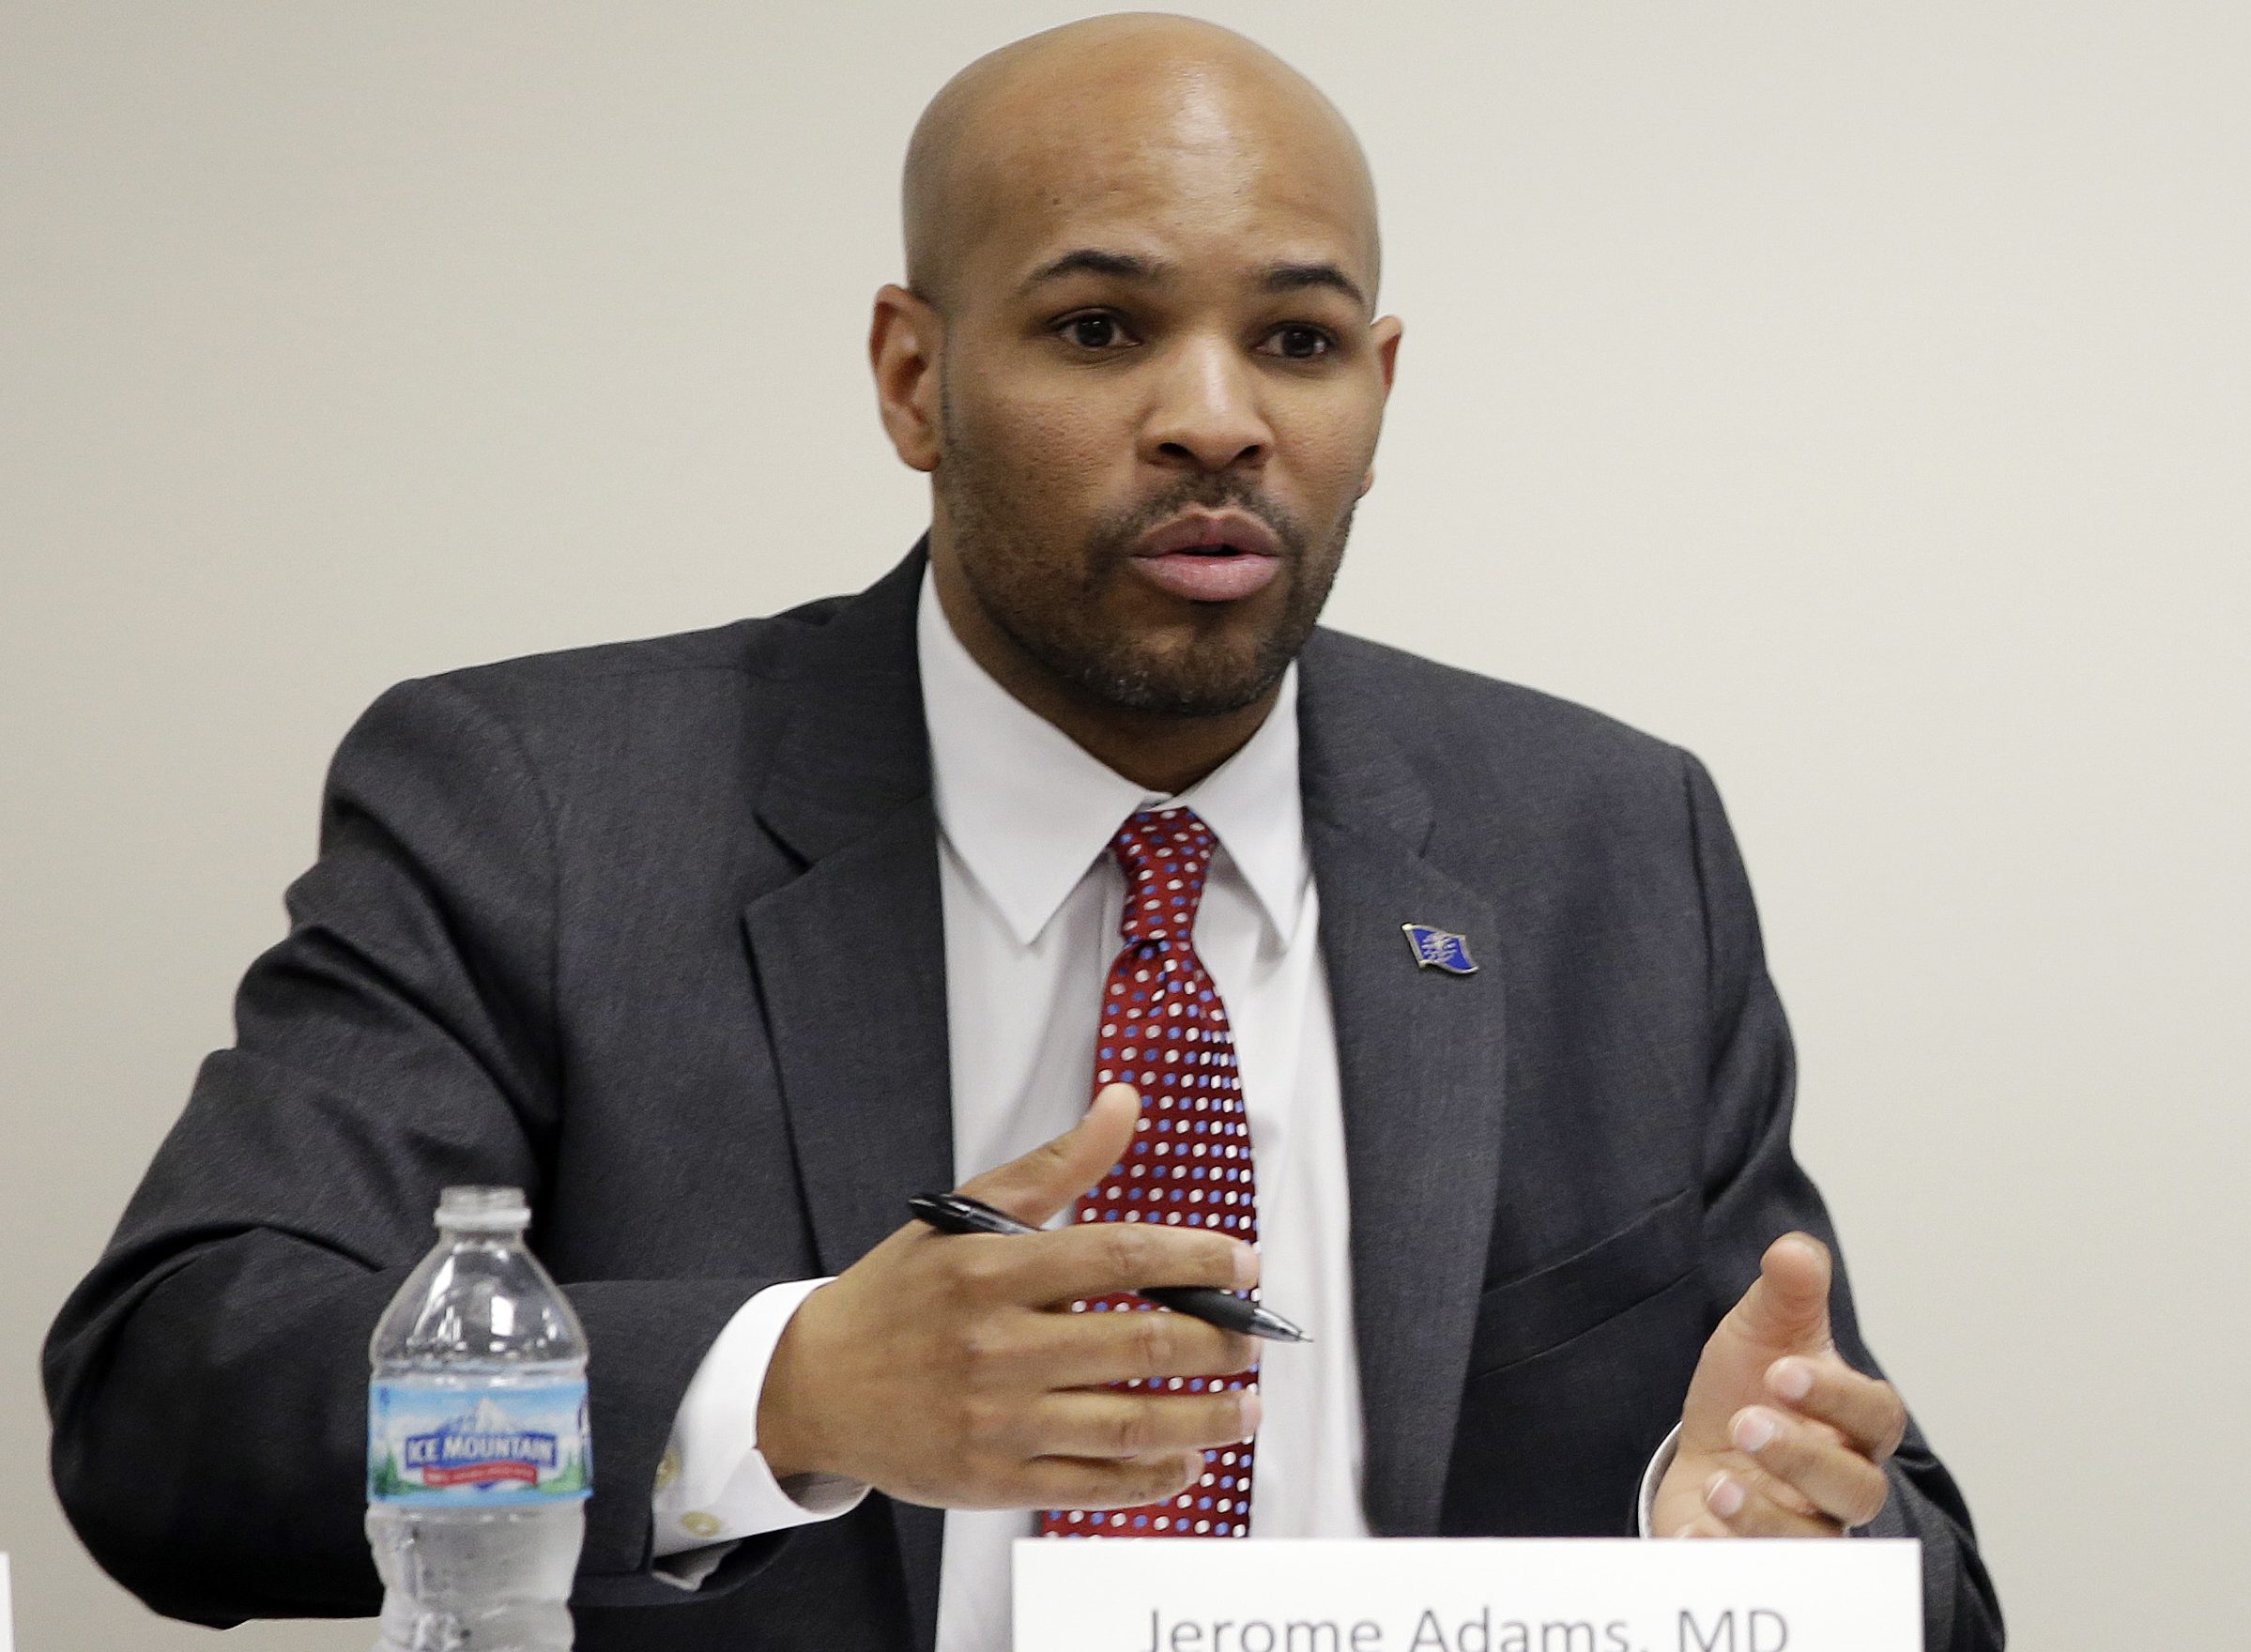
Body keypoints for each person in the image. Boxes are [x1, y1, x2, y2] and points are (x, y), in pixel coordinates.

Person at [44, 13, 2001, 1652]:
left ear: (1377, 395)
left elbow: (1892, 1538)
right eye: (1095, 330)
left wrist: (1764, 1547)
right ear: (915, 375)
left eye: (1298, 345)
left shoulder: (1595, 841)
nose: (1215, 419)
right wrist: (784, 1387)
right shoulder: (543, 804)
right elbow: (176, 1404)